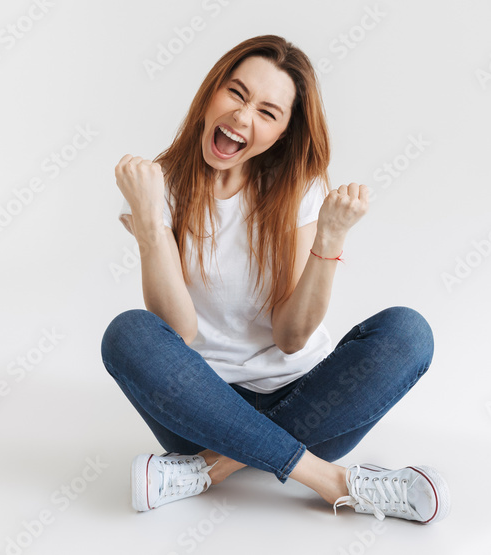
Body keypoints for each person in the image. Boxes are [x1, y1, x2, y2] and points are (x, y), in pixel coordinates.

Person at [103, 34, 450, 523]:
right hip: (201, 411)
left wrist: (328, 239)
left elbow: (290, 339)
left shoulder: (296, 188)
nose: (243, 118)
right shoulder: (156, 185)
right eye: (237, 94)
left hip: (310, 408)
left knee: (408, 332)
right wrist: (149, 222)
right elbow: (177, 332)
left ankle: (211, 470)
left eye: (268, 113)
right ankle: (331, 482)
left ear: (283, 132)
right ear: (211, 93)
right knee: (127, 335)